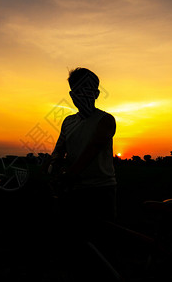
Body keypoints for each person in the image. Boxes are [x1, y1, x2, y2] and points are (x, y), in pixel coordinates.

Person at [49, 67, 117, 236]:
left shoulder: (105, 120)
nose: (83, 95)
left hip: (100, 192)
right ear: (72, 95)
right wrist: (53, 163)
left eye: (88, 90)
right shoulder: (68, 121)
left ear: (96, 93)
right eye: (78, 91)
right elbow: (59, 149)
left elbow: (92, 150)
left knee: (101, 240)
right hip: (73, 190)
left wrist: (69, 175)